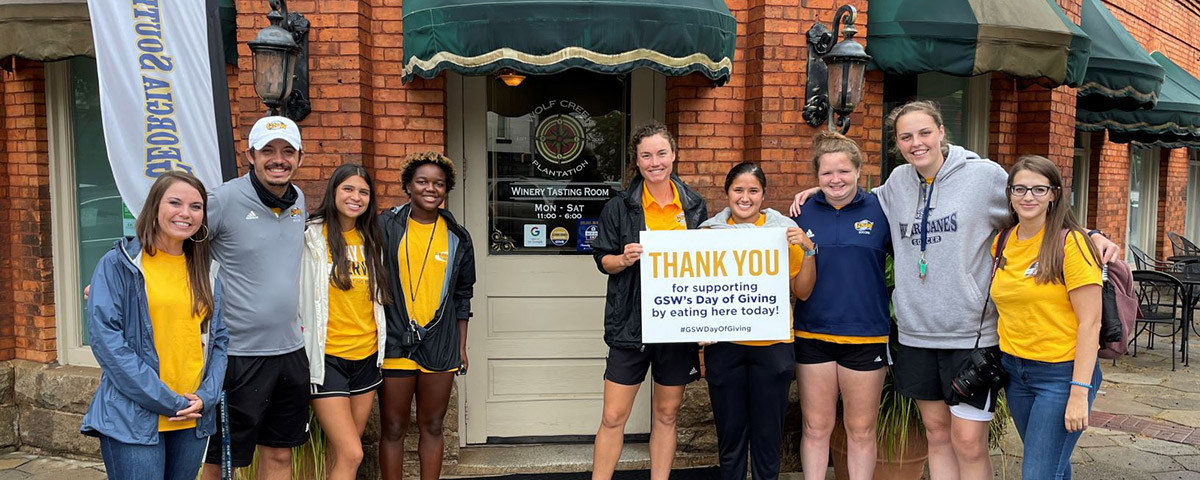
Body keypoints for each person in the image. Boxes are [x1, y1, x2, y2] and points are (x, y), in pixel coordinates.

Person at [789, 100, 1119, 480]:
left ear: (942, 131)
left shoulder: (983, 177)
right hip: (917, 334)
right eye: (906, 136)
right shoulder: (897, 183)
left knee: (968, 442)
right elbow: (850, 196)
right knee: (936, 435)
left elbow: (1034, 201)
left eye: (924, 132)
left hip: (970, 336)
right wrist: (820, 189)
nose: (917, 143)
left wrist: (1089, 234)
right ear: (898, 144)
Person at [81, 171, 228, 480]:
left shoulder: (207, 269)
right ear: (155, 206)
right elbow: (107, 342)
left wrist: (207, 395)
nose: (185, 213)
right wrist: (168, 400)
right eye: (175, 202)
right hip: (134, 416)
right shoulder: (118, 264)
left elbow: (219, 341)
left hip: (191, 416)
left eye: (196, 206)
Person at [591, 122, 707, 480]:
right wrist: (623, 259)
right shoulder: (619, 206)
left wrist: (705, 321)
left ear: (673, 155)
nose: (654, 162)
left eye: (661, 153)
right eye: (646, 155)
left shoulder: (694, 205)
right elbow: (603, 261)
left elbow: (705, 269)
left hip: (676, 328)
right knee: (613, 417)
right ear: (636, 161)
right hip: (631, 325)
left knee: (667, 415)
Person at [200, 115, 311, 480]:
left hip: (290, 352)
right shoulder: (222, 199)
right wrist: (116, 278)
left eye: (287, 151)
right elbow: (167, 237)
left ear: (300, 157)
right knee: (223, 461)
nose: (278, 159)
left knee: (279, 456)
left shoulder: (300, 202)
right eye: (268, 151)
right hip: (238, 355)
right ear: (250, 155)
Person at [697, 162, 815, 480]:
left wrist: (807, 249)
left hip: (773, 346)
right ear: (727, 193)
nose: (745, 197)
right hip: (724, 346)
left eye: (753, 191)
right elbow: (698, 291)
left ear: (763, 195)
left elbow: (802, 292)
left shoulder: (783, 232)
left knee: (767, 439)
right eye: (738, 190)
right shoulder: (707, 234)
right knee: (730, 437)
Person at [991, 155, 1102, 479]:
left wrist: (1079, 392)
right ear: (1009, 194)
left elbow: (1090, 322)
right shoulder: (1002, 242)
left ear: (1054, 194)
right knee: (1053, 465)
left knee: (1038, 473)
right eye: (1020, 189)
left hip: (1061, 375)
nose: (1029, 197)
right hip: (1016, 371)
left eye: (1039, 189)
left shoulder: (1071, 243)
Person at [791, 133, 890, 480]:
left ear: (859, 171)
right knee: (816, 428)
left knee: (861, 430)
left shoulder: (882, 209)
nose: (836, 180)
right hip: (812, 332)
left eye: (844, 171)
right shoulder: (801, 213)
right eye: (827, 174)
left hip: (866, 335)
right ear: (816, 177)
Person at [377, 152, 476, 480]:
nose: (430, 189)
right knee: (392, 427)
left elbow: (463, 296)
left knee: (432, 426)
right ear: (408, 186)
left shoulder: (458, 237)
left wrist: (461, 347)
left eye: (438, 183)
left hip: (441, 343)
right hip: (396, 341)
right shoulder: (385, 225)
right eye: (422, 182)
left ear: (446, 189)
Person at [300, 164, 391, 479]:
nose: (356, 197)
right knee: (353, 452)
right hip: (327, 360)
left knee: (341, 453)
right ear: (334, 192)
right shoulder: (310, 235)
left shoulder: (372, 238)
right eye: (348, 189)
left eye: (363, 192)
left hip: (366, 357)